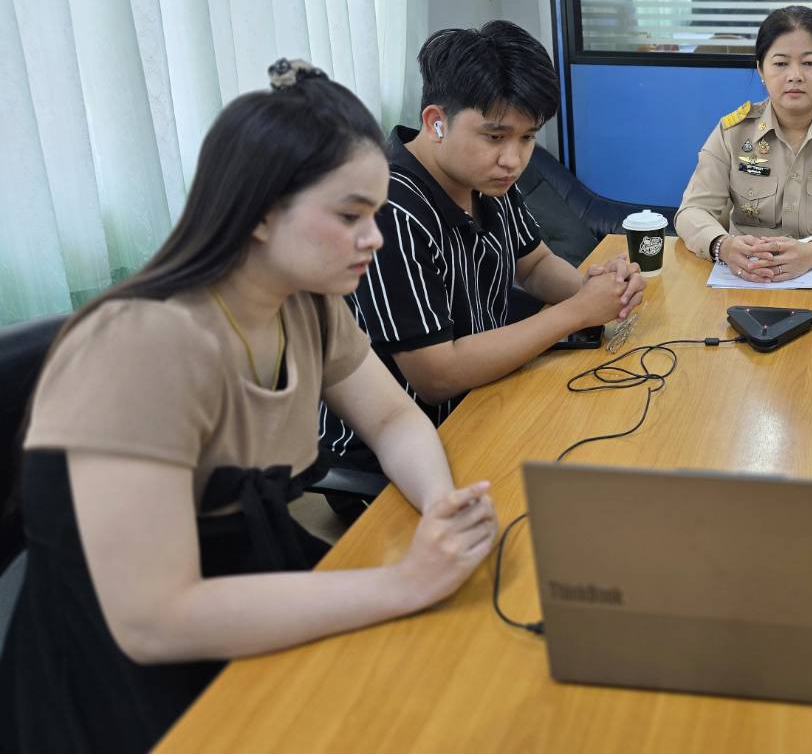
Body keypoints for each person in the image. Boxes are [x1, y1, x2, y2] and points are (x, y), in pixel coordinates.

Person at [0, 61, 499, 753]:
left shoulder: (307, 304)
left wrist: (439, 501)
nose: (374, 238)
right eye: (349, 216)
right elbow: (154, 620)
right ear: (263, 211)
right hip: (124, 674)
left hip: (249, 590)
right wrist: (404, 582)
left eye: (376, 216)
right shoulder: (141, 348)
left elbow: (391, 419)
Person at [321, 21, 644, 481]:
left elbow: (534, 265)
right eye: (495, 137)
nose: (513, 159)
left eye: (527, 138)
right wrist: (575, 314)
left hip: (483, 399)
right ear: (437, 122)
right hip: (399, 454)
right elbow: (436, 376)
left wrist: (602, 292)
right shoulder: (386, 210)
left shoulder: (487, 179)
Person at [675, 5, 812, 282]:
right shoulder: (733, 132)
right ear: (761, 70)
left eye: (809, 62)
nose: (795, 75)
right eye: (780, 63)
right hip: (745, 275)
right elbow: (692, 211)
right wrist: (724, 246)